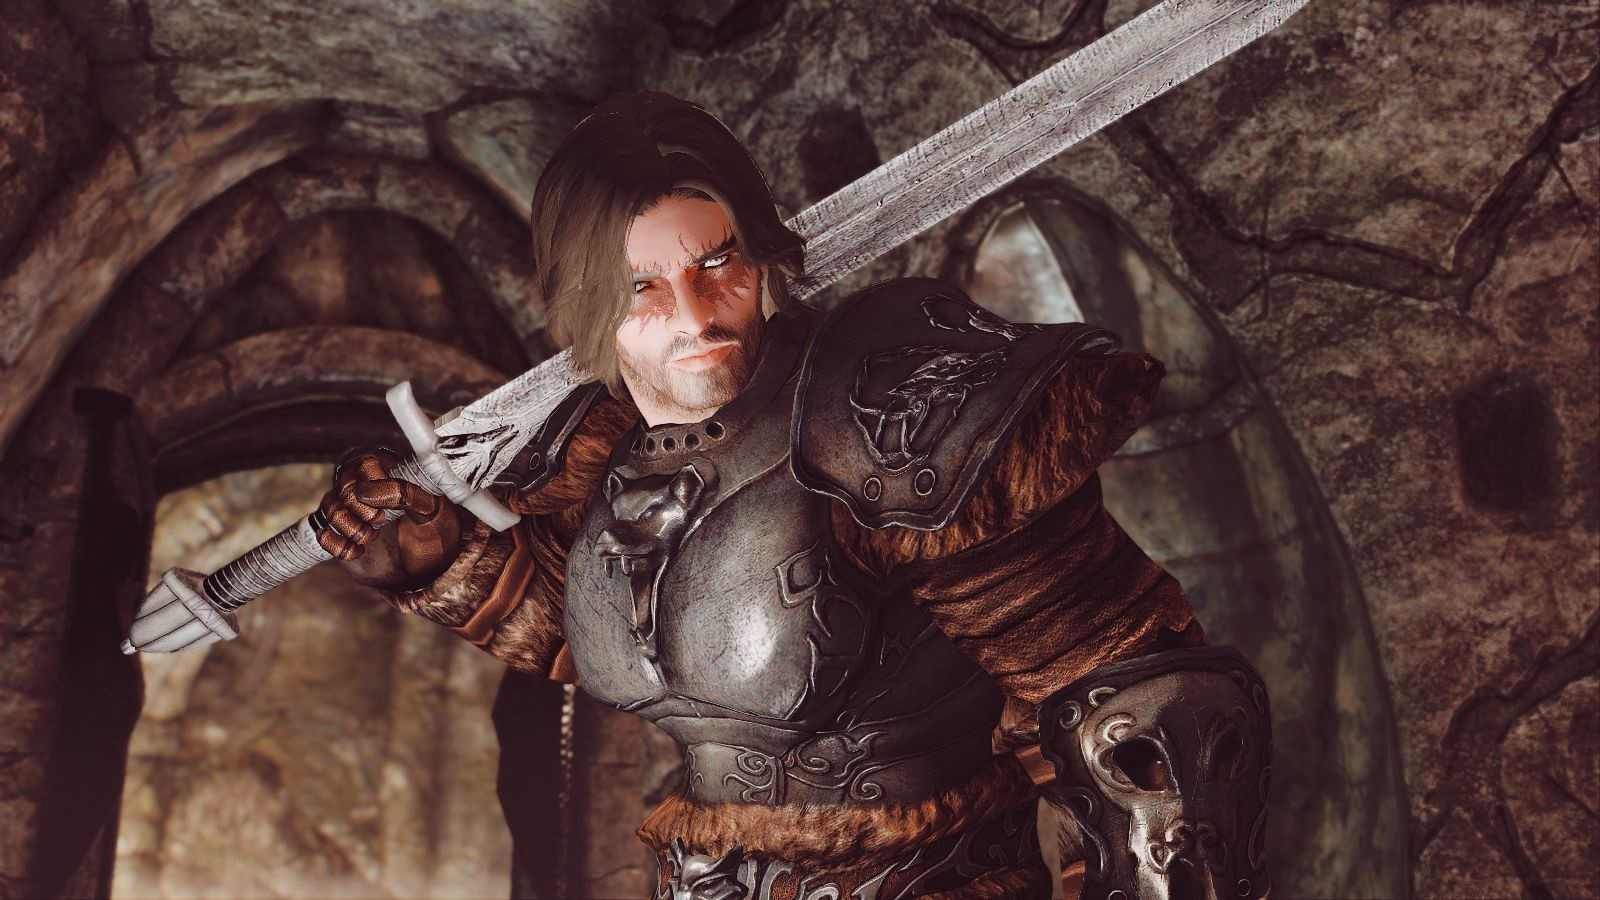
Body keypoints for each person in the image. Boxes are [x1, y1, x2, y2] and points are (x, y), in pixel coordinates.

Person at [317, 92, 1272, 900]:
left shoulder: (880, 420)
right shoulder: (602, 465)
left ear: (759, 254)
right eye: (645, 286)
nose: (697, 316)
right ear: (586, 299)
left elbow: (1143, 709)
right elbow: (641, 651)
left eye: (717, 263)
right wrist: (440, 562)